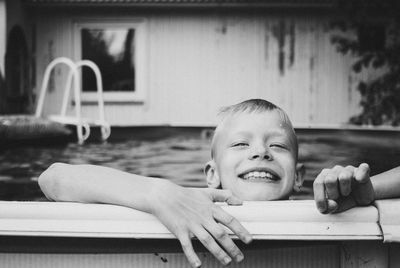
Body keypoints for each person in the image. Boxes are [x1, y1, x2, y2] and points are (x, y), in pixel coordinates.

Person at [38, 99, 400, 267]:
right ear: (212, 174)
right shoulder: (186, 205)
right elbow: (53, 178)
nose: (261, 153)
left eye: (276, 145)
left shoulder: (321, 207)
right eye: (241, 144)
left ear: (301, 177)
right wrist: (157, 192)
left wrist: (364, 192)